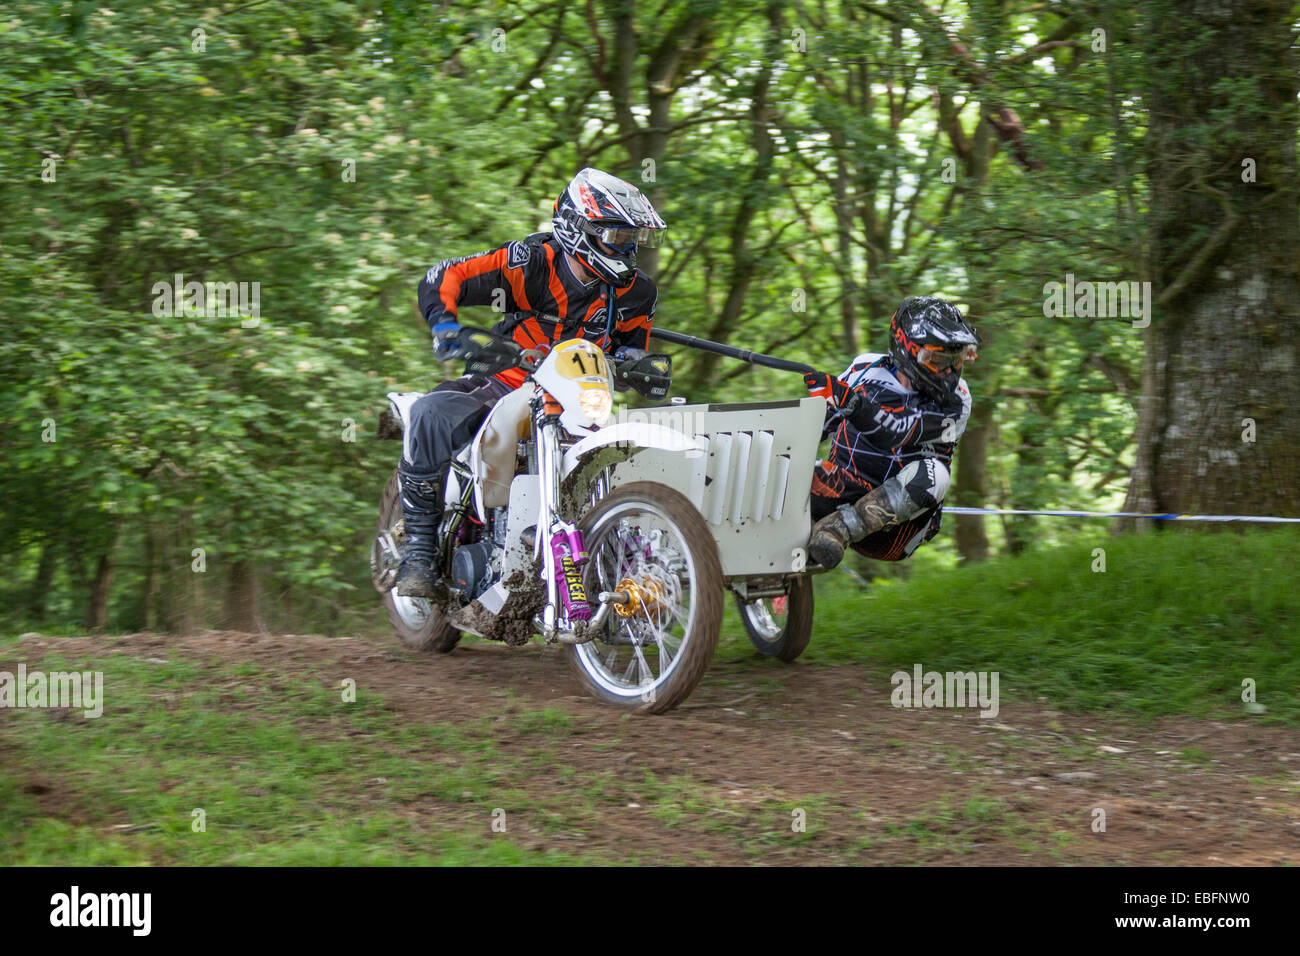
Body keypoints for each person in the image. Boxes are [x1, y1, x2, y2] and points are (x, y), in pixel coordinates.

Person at [394, 168, 667, 597]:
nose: (628, 249)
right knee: (429, 413)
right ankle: (419, 553)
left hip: (584, 395)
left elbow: (632, 348)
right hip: (508, 381)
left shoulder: (637, 293)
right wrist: (447, 326)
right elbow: (444, 276)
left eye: (633, 239)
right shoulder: (533, 262)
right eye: (617, 237)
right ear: (581, 228)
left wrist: (636, 362)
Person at [801, 296, 979, 569]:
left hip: (898, 528)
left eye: (955, 360)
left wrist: (850, 402)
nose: (949, 370)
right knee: (791, 473)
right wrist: (823, 405)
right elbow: (818, 428)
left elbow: (896, 432)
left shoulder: (959, 399)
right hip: (844, 489)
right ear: (906, 349)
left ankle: (839, 529)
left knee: (935, 474)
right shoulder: (864, 369)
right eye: (938, 359)